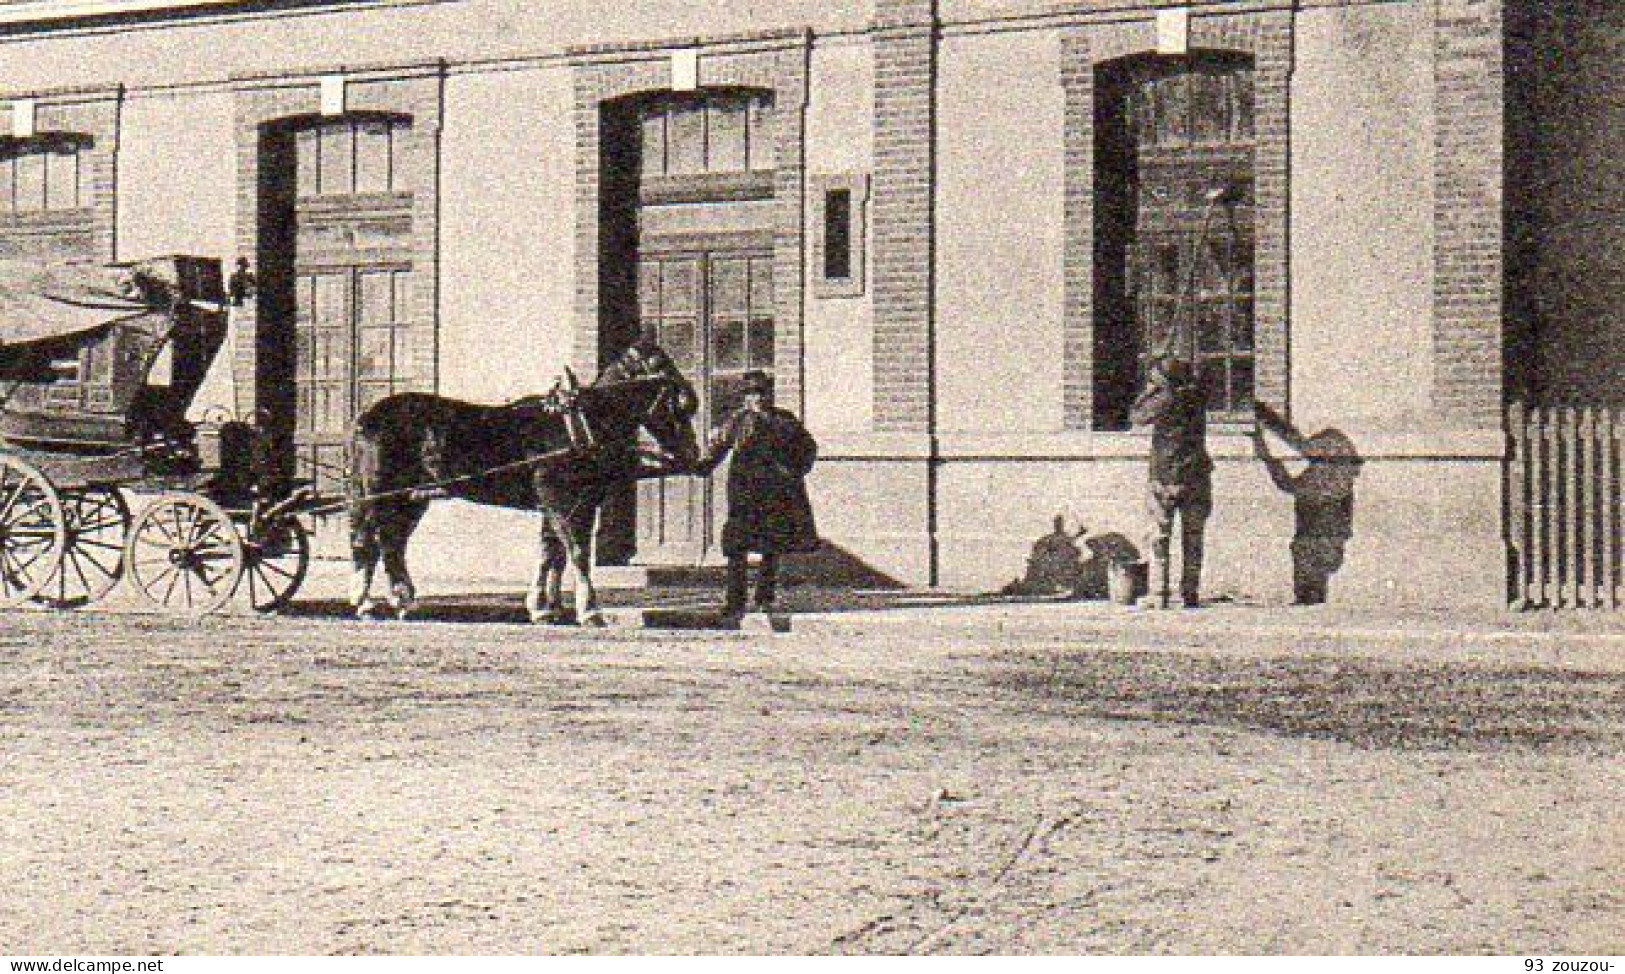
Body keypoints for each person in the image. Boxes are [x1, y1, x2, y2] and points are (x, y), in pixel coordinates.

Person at [693, 370, 819, 623]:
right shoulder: (738, 422)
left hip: (775, 494)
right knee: (737, 549)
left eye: (761, 392)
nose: (757, 398)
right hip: (744, 494)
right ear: (744, 398)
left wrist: (792, 471)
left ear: (770, 395)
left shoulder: (786, 421)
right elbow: (717, 449)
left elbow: (808, 449)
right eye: (751, 393)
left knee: (771, 548)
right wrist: (701, 465)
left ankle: (765, 599)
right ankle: (735, 603)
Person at [1130, 356, 1212, 609]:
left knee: (1159, 537)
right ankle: (1190, 592)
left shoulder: (1164, 399)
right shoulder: (1196, 397)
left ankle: (1159, 593)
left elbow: (1136, 415)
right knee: (1193, 538)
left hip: (1166, 476)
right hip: (1197, 474)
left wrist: (1150, 390)